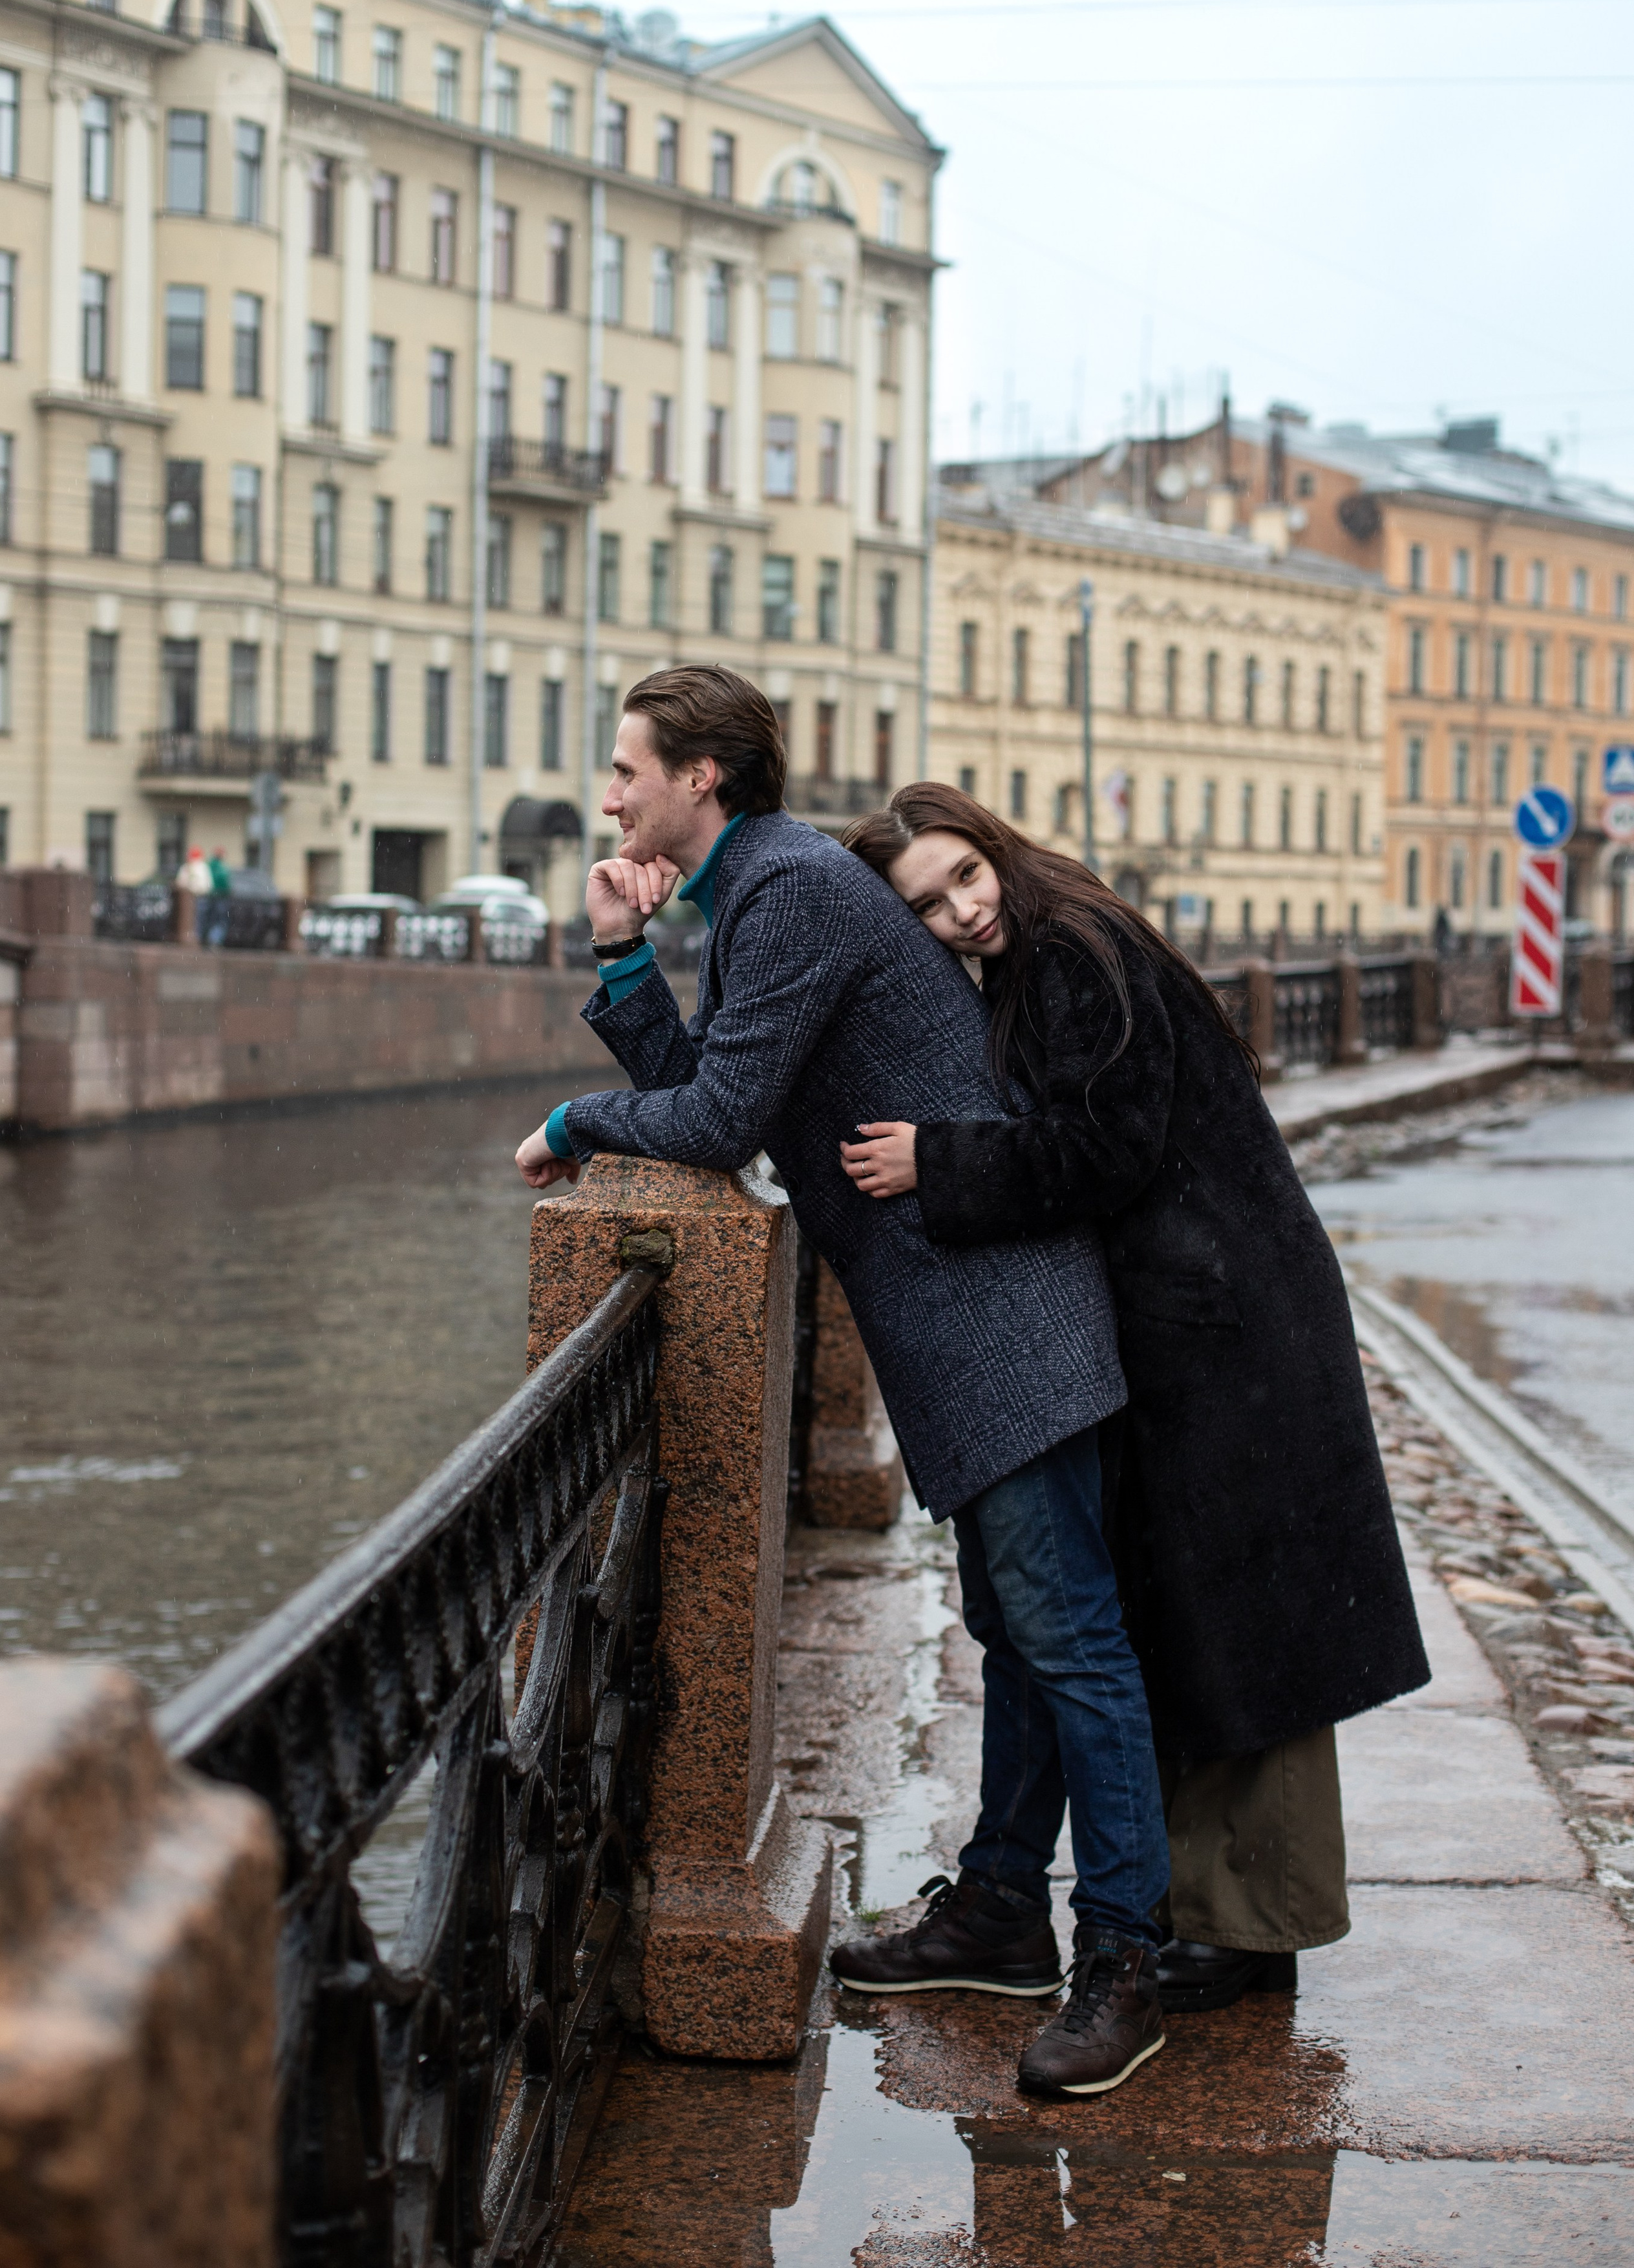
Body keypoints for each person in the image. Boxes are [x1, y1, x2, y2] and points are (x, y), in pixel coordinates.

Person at [515, 668, 1171, 2098]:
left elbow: (716, 1119)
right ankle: (1001, 1909)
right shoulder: (759, 889)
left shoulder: (792, 889)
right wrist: (625, 959)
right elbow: (714, 1081)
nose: (612, 796)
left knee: (1070, 1642)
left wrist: (572, 1117)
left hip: (1001, 1318)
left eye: (628, 770)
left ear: (702, 779)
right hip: (959, 1317)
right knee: (1017, 1631)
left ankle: (1124, 1952)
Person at [838, 782, 1429, 2016]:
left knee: (1247, 1629)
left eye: (963, 876)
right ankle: (1203, 1914)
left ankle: (1250, 1929)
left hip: (1227, 1326)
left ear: (992, 848)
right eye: (928, 905)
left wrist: (932, 1161)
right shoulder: (1058, 941)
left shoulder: (1069, 952)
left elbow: (1111, 1149)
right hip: (1207, 1311)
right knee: (1198, 1618)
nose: (959, 911)